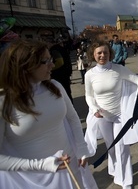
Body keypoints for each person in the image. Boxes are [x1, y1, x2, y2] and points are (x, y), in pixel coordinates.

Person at [0, 39, 97, 188]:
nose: (52, 65)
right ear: (25, 66)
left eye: (51, 59)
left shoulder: (56, 87)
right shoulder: (4, 101)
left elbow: (72, 118)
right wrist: (42, 165)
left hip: (70, 168)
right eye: (46, 61)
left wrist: (82, 149)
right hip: (33, 180)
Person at [84, 40, 138, 189]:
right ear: (93, 55)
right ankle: (114, 169)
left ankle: (126, 181)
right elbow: (89, 96)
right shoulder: (90, 75)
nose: (103, 55)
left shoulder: (118, 69)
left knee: (122, 147)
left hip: (120, 115)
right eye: (99, 53)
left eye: (105, 52)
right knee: (111, 148)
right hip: (102, 116)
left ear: (110, 53)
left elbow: (136, 80)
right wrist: (94, 109)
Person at [50, 37, 73, 102]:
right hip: (66, 74)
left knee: (61, 94)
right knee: (67, 93)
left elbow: (60, 62)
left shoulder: (54, 50)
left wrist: (50, 68)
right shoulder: (63, 49)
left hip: (59, 75)